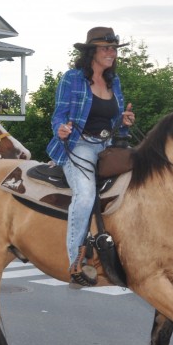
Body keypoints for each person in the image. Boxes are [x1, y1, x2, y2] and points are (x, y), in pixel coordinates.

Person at [46, 27, 135, 286]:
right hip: (79, 145)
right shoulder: (72, 79)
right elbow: (58, 116)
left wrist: (125, 120)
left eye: (114, 48)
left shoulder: (113, 81)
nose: (112, 53)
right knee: (85, 195)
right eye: (106, 48)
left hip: (106, 146)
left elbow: (113, 120)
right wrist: (60, 129)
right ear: (92, 52)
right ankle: (76, 262)